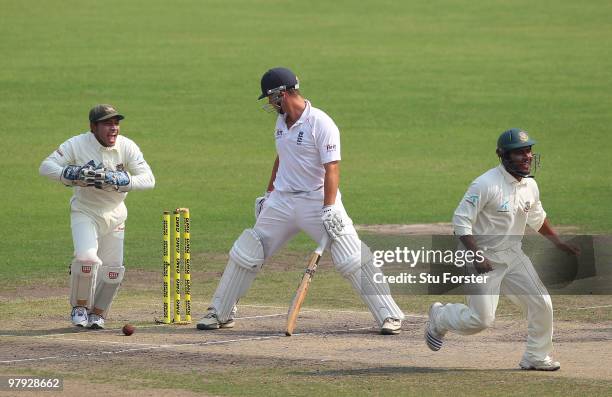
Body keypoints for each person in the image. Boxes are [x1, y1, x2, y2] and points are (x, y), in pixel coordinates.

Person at [197, 67, 404, 334]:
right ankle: (220, 312)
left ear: (281, 95)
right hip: (282, 202)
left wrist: (329, 208)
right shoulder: (282, 123)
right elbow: (282, 157)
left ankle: (390, 315)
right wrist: (269, 193)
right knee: (247, 250)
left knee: (351, 254)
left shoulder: (321, 123)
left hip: (316, 201)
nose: (270, 105)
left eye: (271, 99)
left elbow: (333, 168)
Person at [424, 128, 580, 370]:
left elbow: (537, 218)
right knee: (480, 320)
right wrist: (476, 255)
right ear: (502, 155)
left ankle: (536, 356)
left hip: (514, 254)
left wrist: (558, 242)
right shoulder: (485, 184)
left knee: (542, 303)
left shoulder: (529, 186)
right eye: (519, 153)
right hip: (482, 255)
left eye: (529, 151)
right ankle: (440, 317)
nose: (527, 157)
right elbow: (460, 222)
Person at [39, 104, 155, 329]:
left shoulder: (127, 146)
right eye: (107, 123)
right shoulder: (77, 144)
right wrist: (74, 174)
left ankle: (98, 313)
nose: (113, 128)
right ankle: (80, 308)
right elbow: (46, 167)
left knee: (113, 271)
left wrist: (122, 180)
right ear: (93, 127)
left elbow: (149, 179)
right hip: (85, 211)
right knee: (87, 260)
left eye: (116, 123)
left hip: (116, 216)